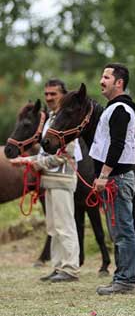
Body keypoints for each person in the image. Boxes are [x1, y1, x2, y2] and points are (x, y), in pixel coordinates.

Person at [11, 79, 82, 282]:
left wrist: (36, 164)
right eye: (47, 94)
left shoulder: (66, 120)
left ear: (63, 95)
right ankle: (59, 266)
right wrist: (25, 160)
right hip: (50, 180)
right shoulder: (51, 119)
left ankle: (70, 268)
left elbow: (64, 155)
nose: (49, 97)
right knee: (53, 226)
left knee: (65, 225)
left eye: (54, 94)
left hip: (62, 178)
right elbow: (45, 152)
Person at [92, 63, 135, 295]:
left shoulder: (120, 109)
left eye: (106, 77)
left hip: (117, 179)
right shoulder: (113, 108)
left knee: (123, 230)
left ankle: (126, 281)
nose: (101, 81)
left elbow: (117, 145)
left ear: (119, 82)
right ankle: (121, 278)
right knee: (118, 230)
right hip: (114, 179)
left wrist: (103, 174)